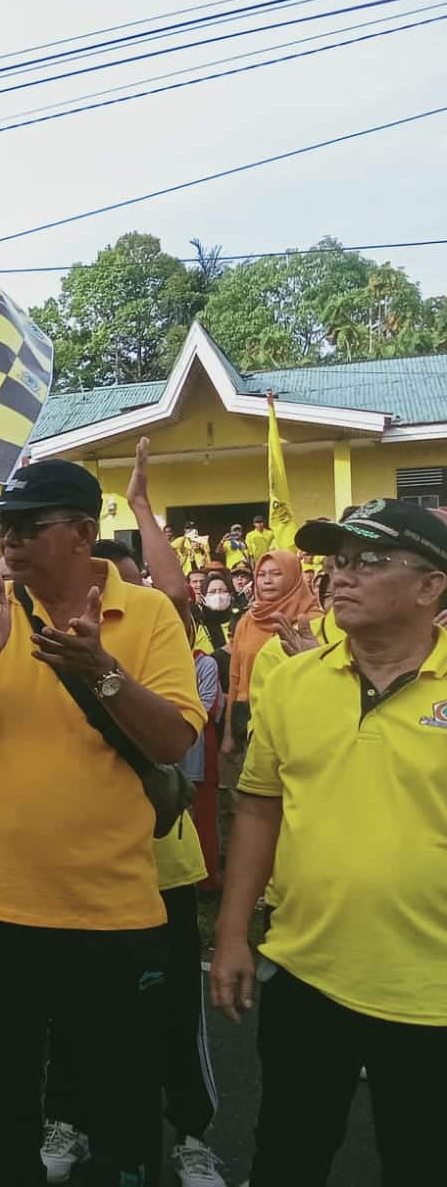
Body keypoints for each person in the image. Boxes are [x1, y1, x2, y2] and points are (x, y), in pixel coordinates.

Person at [0, 459, 204, 1187]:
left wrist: (100, 672)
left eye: (28, 525)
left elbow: (174, 741)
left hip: (110, 910)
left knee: (121, 1111)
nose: (9, 540)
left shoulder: (147, 614)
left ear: (82, 533)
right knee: (5, 1107)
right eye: (2, 525)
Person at [211, 500, 447, 1184]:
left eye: (369, 561)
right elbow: (258, 807)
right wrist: (231, 936)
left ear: (431, 585)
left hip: (432, 991)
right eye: (336, 562)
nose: (340, 578)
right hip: (309, 974)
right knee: (287, 1154)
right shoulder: (292, 682)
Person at [72, 539, 225, 1187]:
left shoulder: (166, 651)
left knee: (174, 1018)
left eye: (135, 587)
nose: (125, 600)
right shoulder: (42, 645)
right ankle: (73, 1120)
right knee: (82, 1014)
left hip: (162, 871)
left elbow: (176, 754)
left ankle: (192, 1134)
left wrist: (140, 511)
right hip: (78, 871)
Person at [219, 550, 321, 763]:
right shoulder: (248, 622)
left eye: (276, 574)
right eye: (261, 575)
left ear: (293, 576)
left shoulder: (311, 620)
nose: (267, 580)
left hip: (297, 719)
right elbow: (235, 678)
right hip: (247, 718)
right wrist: (228, 733)